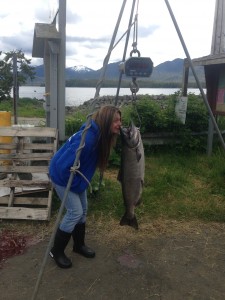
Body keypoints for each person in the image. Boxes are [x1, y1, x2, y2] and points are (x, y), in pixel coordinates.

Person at [49, 105, 122, 268]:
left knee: (83, 210)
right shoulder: (88, 139)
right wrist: (76, 186)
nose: (120, 124)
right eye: (116, 120)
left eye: (120, 120)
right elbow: (62, 166)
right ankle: (56, 251)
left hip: (74, 177)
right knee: (75, 212)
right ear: (106, 121)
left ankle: (78, 245)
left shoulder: (101, 135)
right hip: (61, 176)